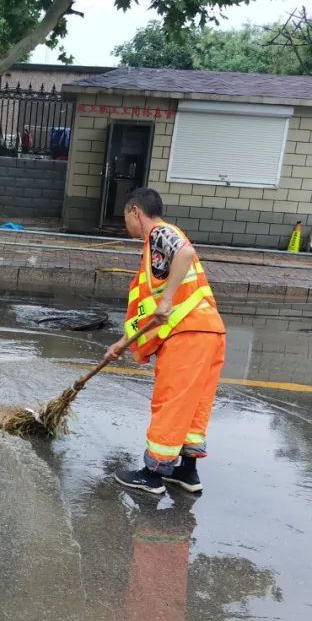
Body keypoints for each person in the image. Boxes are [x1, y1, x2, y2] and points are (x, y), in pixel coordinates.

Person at [103, 188, 226, 496]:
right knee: (194, 406)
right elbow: (151, 313)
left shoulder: (159, 233)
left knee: (170, 403)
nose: (126, 226)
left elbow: (184, 252)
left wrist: (167, 298)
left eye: (125, 218)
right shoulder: (156, 249)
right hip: (209, 333)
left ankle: (153, 474)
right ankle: (187, 471)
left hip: (187, 336)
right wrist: (121, 343)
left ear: (135, 212)